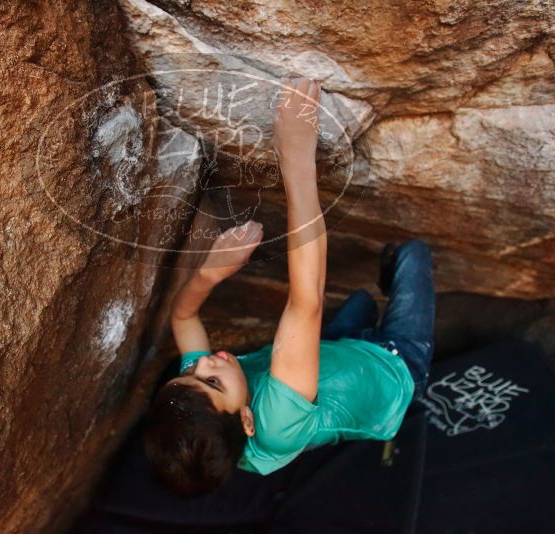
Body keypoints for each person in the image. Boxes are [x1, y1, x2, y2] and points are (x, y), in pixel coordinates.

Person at [143, 77, 436, 497]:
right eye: (213, 382)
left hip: (335, 352)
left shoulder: (207, 412)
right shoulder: (277, 425)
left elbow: (182, 315)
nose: (207, 362)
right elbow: (306, 303)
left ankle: (369, 310)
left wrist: (209, 272)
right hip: (396, 368)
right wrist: (296, 154)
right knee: (414, 254)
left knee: (357, 304)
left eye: (190, 372)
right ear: (247, 420)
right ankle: (391, 272)